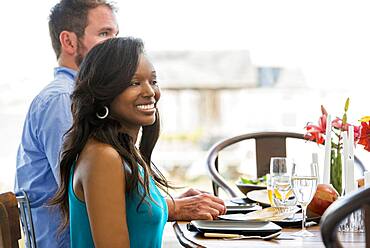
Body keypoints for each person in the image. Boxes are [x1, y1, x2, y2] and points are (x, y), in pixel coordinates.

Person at [15, 1, 225, 247]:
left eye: (153, 81)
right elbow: (96, 194)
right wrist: (173, 206)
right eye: (104, 34)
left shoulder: (120, 146)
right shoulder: (67, 106)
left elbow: (121, 200)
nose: (149, 92)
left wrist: (161, 202)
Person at [51, 36, 182, 247]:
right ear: (105, 92)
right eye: (134, 83)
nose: (150, 92)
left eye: (153, 81)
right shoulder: (103, 156)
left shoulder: (123, 151)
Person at [15, 1, 119, 247]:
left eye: (116, 34)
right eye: (104, 34)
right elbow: (89, 194)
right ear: (69, 42)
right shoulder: (63, 99)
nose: (115, 45)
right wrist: (172, 207)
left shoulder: (84, 98)